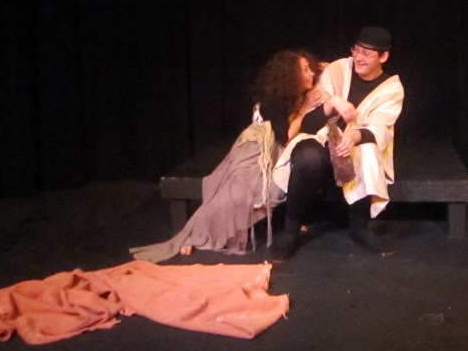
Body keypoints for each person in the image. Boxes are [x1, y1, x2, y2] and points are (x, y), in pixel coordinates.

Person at [129, 49, 327, 262]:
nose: (311, 74)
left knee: (265, 189)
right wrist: (304, 110)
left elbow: (326, 71)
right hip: (256, 150)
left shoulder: (297, 94)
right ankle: (193, 234)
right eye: (305, 70)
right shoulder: (273, 99)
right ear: (291, 75)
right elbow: (285, 135)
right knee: (236, 194)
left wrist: (322, 68)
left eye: (310, 69)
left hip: (274, 152)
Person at [270, 26, 405, 261]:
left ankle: (359, 227)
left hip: (357, 144)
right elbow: (308, 123)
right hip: (321, 138)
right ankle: (290, 230)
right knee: (308, 157)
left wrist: (353, 137)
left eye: (367, 53)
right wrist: (332, 102)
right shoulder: (338, 70)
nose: (359, 57)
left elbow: (380, 128)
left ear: (383, 57)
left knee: (367, 152)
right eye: (356, 50)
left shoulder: (392, 89)